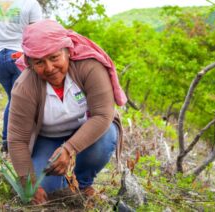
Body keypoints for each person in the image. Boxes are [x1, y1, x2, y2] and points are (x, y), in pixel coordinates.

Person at [7, 19, 127, 205]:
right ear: (30, 63)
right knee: (47, 190)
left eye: (55, 58)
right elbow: (17, 140)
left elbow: (103, 115)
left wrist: (69, 149)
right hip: (47, 138)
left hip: (86, 132)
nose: (49, 68)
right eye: (39, 62)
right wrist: (28, 182)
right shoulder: (25, 87)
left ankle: (83, 183)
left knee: (106, 136)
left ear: (68, 52)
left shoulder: (90, 68)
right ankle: (62, 183)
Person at [0, 0, 42, 152]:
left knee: (13, 99)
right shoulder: (31, 4)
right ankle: (17, 143)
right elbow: (36, 36)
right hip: (20, 56)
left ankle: (7, 142)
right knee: (21, 101)